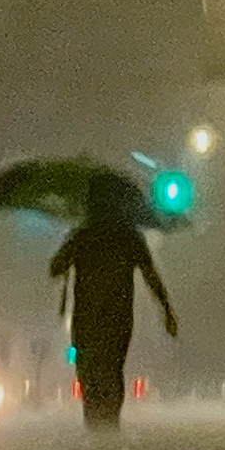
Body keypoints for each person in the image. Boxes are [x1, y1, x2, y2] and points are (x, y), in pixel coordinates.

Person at [49, 179, 178, 429]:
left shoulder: (83, 235)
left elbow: (55, 268)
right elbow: (151, 276)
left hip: (87, 319)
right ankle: (109, 424)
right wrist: (166, 310)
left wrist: (70, 243)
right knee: (111, 370)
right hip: (118, 317)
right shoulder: (128, 236)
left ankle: (95, 424)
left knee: (89, 374)